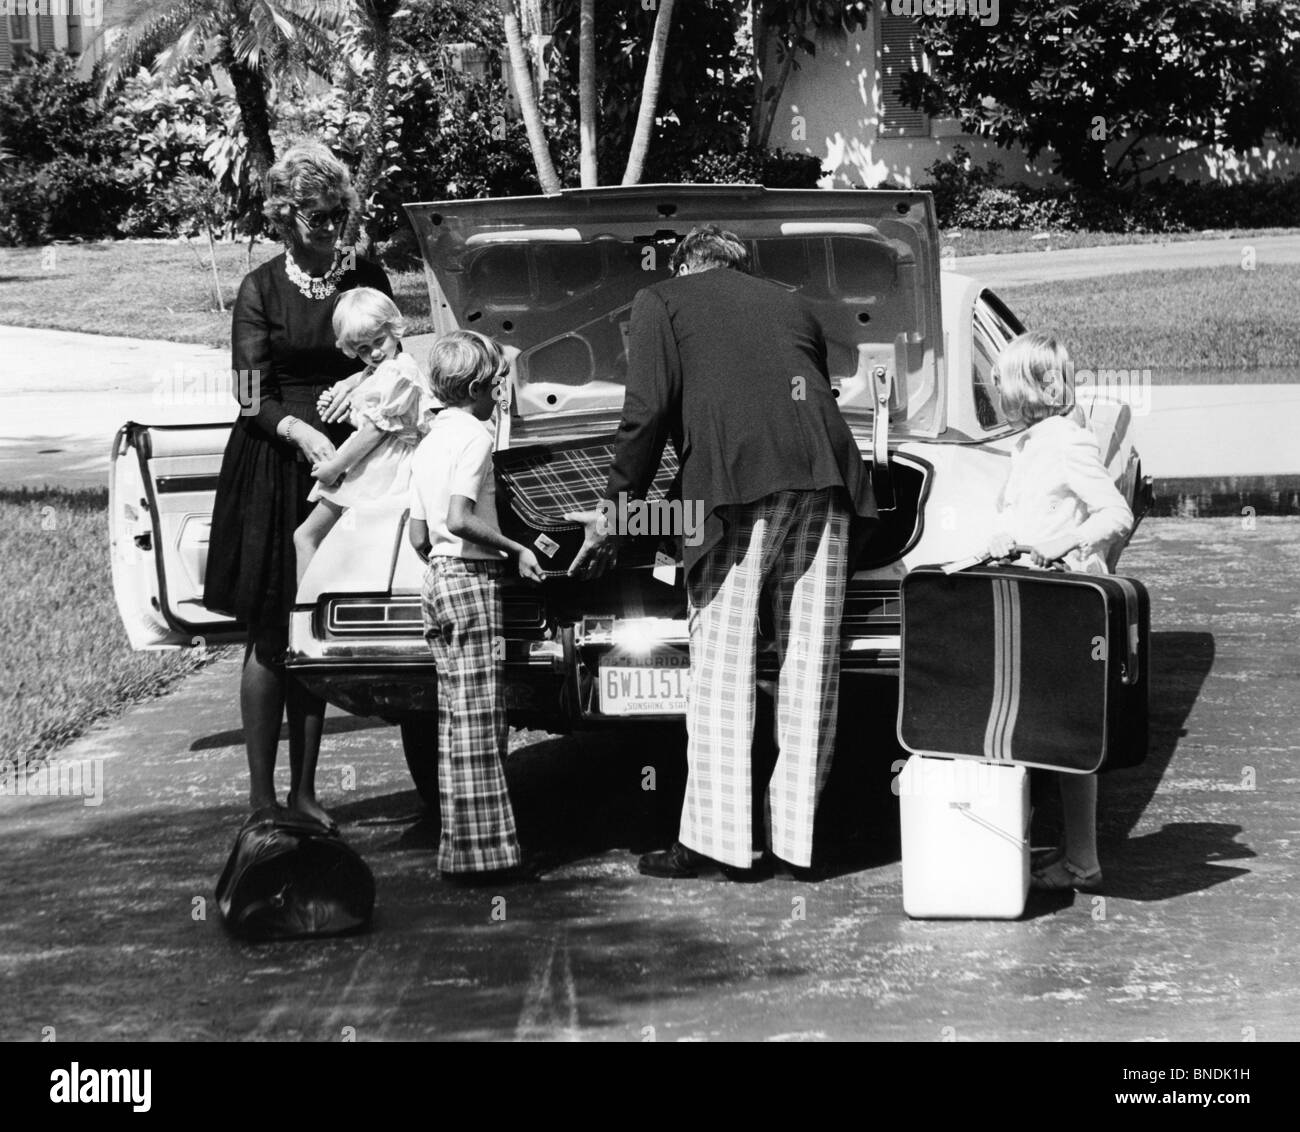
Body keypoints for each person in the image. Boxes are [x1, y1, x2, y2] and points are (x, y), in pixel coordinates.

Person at [568, 225, 878, 881]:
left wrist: (614, 512)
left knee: (723, 668)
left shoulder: (662, 299)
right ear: (738, 265)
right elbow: (796, 395)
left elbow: (646, 415)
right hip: (829, 482)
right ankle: (799, 842)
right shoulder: (791, 301)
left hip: (734, 488)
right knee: (809, 664)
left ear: (685, 264)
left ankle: (717, 843)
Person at [203, 140, 393, 832]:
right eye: (315, 217)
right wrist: (302, 431)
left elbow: (393, 351)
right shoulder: (259, 287)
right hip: (275, 464)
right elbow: (251, 393)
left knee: (314, 629)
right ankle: (261, 799)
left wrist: (358, 380)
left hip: (347, 467)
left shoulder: (363, 272)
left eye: (337, 214)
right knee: (268, 632)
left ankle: (308, 794)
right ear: (285, 219)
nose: (329, 228)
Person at [985, 331, 1134, 892]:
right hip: (1033, 597)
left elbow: (1114, 513)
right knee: (1038, 731)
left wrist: (1066, 545)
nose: (995, 386)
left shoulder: (1065, 441)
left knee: (1066, 736)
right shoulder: (1029, 442)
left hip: (1065, 600)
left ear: (1027, 386)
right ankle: (1054, 853)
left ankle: (1083, 862)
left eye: (1002, 377)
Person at [408, 330, 545, 884]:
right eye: (495, 384)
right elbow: (460, 518)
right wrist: (518, 549)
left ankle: (461, 849)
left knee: (454, 719)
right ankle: (486, 858)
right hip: (470, 580)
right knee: (483, 721)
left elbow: (420, 534)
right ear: (474, 388)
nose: (499, 393)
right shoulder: (474, 438)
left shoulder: (428, 440)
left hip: (437, 580)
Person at [294, 287, 433, 582]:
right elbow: (374, 420)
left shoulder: (400, 372)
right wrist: (346, 407)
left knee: (312, 537)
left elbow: (376, 431)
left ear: (393, 328)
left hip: (382, 468)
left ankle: (306, 609)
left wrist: (334, 467)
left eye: (379, 341)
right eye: (363, 349)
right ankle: (307, 609)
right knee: (312, 538)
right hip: (373, 462)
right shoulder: (378, 372)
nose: (374, 353)